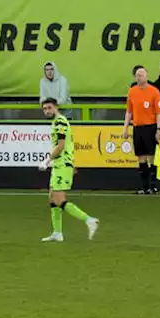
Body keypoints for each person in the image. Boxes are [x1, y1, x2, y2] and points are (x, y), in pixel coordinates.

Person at [37, 98, 99, 242]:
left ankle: (89, 220)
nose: (47, 111)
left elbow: (61, 145)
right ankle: (57, 233)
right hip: (60, 164)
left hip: (61, 165)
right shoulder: (57, 122)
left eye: (49, 108)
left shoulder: (60, 122)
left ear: (56, 107)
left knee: (59, 199)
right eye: (44, 109)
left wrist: (47, 161)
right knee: (52, 198)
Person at [122, 66, 160, 195]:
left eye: (141, 75)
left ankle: (153, 186)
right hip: (138, 127)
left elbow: (158, 113)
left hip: (150, 127)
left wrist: (159, 129)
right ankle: (145, 187)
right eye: (137, 75)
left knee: (151, 156)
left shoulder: (154, 92)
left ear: (146, 76)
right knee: (141, 157)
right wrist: (125, 128)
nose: (138, 77)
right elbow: (129, 112)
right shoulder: (132, 92)